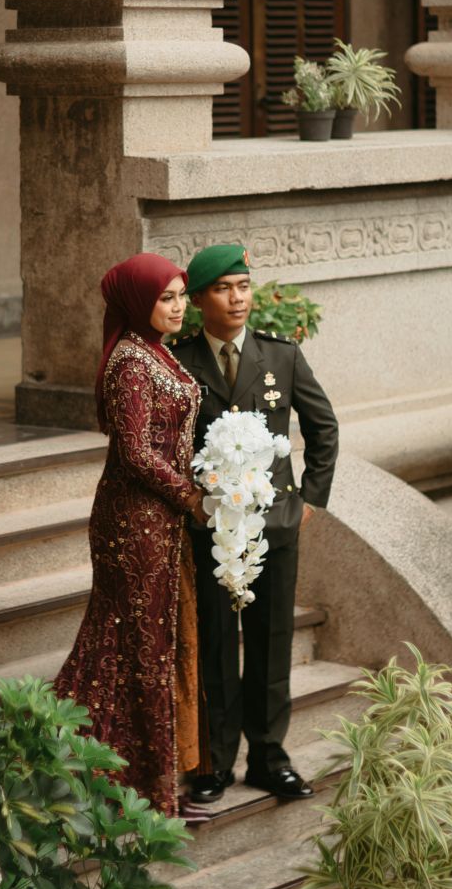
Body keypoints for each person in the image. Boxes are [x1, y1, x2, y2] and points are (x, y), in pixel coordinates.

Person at [171, 243, 339, 803]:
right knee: (216, 646)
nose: (237, 298)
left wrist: (309, 501)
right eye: (223, 289)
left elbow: (323, 426)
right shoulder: (179, 362)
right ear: (199, 300)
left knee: (271, 641)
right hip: (211, 530)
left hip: (274, 523)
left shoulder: (281, 356)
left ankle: (269, 757)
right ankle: (215, 763)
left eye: (243, 286)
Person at [54, 252, 209, 819]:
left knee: (142, 644)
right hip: (133, 523)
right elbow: (135, 451)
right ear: (139, 301)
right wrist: (190, 495)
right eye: (166, 298)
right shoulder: (130, 362)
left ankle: (130, 780)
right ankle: (140, 789)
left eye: (181, 296)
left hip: (160, 518)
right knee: (138, 645)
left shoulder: (155, 350)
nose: (178, 307)